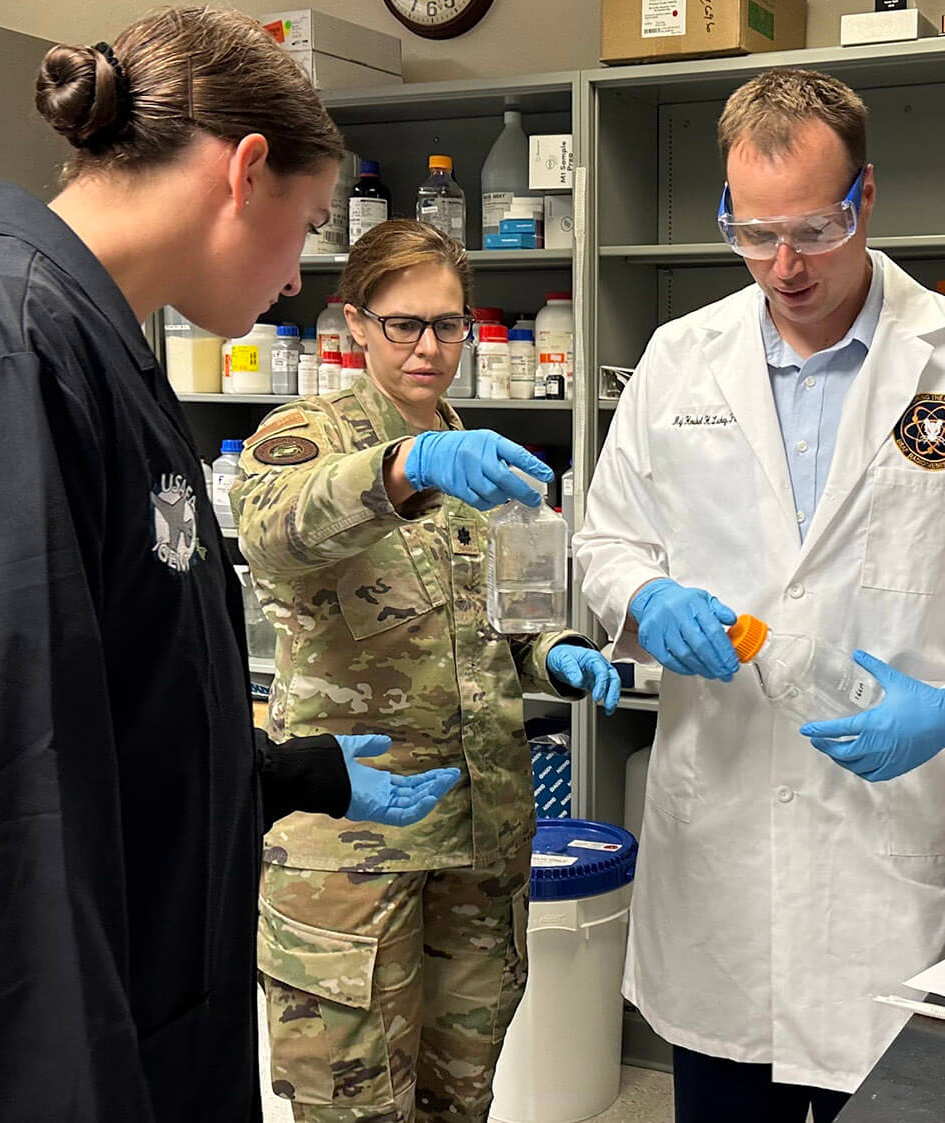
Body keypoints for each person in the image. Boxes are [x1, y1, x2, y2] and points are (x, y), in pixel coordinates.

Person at [0, 10, 461, 1122]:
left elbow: (114, 712)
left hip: (136, 1013)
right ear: (247, 169)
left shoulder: (94, 350)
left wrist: (289, 774)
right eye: (310, 226)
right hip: (19, 1065)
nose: (300, 273)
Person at [575, 68, 945, 1122]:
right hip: (720, 835)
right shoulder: (681, 359)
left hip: (893, 846)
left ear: (867, 198)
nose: (783, 265)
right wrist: (644, 593)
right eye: (752, 231)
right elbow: (606, 540)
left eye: (815, 229)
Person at [232, 218, 621, 1122]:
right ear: (356, 323)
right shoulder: (305, 435)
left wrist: (550, 650)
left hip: (476, 843)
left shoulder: (472, 455)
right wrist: (407, 463)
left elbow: (500, 617)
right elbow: (274, 529)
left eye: (448, 325)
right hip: (353, 860)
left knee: (461, 1099)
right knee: (356, 1108)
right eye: (403, 324)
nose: (429, 348)